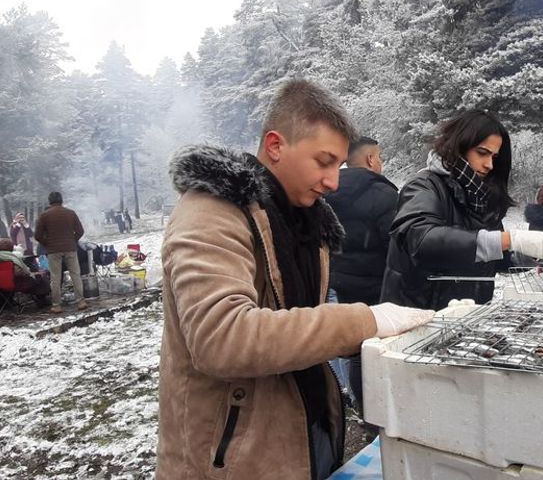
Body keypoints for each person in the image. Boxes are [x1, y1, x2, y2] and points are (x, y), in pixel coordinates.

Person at [156, 79, 434, 480]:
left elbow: (302, 324)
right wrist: (365, 321)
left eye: (338, 165)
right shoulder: (212, 210)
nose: (334, 182)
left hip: (302, 432)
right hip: (231, 457)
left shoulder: (308, 220)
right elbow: (222, 337)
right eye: (323, 162)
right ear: (275, 146)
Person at [380, 109, 543, 310]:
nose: (489, 165)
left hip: (466, 314)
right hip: (417, 316)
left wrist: (529, 251)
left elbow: (490, 255)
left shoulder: (481, 196)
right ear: (459, 146)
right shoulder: (424, 186)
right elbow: (420, 240)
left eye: (494, 158)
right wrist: (511, 239)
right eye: (482, 153)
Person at [325, 135, 398, 418]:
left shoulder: (324, 190)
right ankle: (368, 409)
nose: (379, 162)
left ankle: (346, 394)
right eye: (378, 157)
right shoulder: (383, 194)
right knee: (363, 348)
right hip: (370, 285)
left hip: (332, 280)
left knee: (337, 342)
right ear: (370, 159)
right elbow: (396, 245)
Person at [34, 192, 87, 313]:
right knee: (75, 275)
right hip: (70, 248)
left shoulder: (44, 216)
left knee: (55, 277)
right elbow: (80, 230)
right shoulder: (70, 213)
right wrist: (73, 240)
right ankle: (81, 301)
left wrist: (47, 243)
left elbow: (37, 235)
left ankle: (56, 305)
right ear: (61, 200)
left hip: (53, 251)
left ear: (49, 201)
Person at [0, 237, 50, 306]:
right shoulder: (12, 258)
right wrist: (31, 273)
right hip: (17, 284)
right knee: (40, 277)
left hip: (2, 286)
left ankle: (6, 303)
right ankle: (42, 300)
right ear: (11, 248)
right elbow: (19, 273)